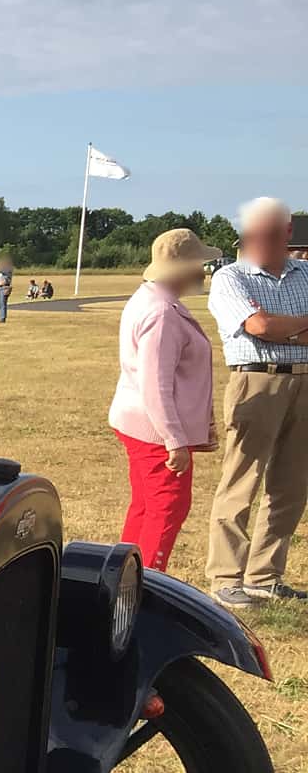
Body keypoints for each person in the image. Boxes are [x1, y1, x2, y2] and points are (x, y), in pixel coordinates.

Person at [206, 197, 308, 607]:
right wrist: (291, 330)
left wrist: (283, 331)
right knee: (241, 481)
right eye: (252, 235)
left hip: (304, 381)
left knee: (292, 484)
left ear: (286, 234)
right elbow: (258, 326)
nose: (258, 242)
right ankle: (226, 576)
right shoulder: (230, 277)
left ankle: (265, 576)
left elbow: (268, 327)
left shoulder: (305, 273)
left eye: (268, 234)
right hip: (257, 381)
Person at [108, 229, 222, 571]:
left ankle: (123, 578)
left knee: (146, 506)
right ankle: (145, 585)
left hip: (140, 422)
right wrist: (174, 440)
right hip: (154, 429)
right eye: (200, 264)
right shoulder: (163, 313)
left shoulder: (150, 299)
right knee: (167, 507)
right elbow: (155, 383)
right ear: (184, 269)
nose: (204, 272)